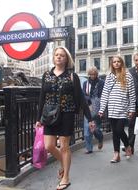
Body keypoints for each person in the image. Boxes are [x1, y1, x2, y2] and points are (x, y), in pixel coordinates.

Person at [35, 46, 94, 190]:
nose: (59, 57)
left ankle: (66, 177)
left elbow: (80, 98)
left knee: (64, 146)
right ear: (54, 58)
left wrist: (90, 118)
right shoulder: (46, 75)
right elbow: (42, 97)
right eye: (57, 55)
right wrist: (38, 118)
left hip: (66, 113)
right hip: (49, 115)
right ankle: (64, 163)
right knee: (49, 145)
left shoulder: (72, 76)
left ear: (66, 59)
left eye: (62, 55)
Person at [98, 55, 136, 163]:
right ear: (112, 64)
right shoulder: (109, 76)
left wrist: (132, 109)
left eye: (118, 61)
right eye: (114, 62)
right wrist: (102, 109)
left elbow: (132, 94)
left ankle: (127, 146)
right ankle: (116, 154)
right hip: (111, 109)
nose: (116, 63)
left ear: (121, 63)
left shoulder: (128, 76)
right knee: (115, 132)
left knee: (119, 130)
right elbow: (105, 93)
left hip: (123, 108)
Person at [82, 66, 104, 154]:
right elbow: (83, 94)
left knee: (95, 129)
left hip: (98, 107)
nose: (92, 76)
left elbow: (103, 95)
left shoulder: (101, 82)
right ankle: (89, 148)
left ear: (97, 74)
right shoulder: (85, 83)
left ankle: (100, 138)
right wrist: (89, 100)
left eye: (94, 74)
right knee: (87, 129)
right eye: (91, 74)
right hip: (89, 107)